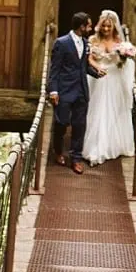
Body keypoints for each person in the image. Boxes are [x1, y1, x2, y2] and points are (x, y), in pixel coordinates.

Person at [47, 11, 103, 174]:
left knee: (80, 125)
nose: (91, 28)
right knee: (61, 123)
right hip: (64, 90)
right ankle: (58, 151)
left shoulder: (86, 43)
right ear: (81, 26)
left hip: (81, 90)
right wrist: (54, 91)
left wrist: (96, 73)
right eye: (89, 25)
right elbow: (55, 69)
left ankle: (76, 158)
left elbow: (83, 67)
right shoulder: (61, 43)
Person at [82, 9, 135, 166]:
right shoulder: (93, 40)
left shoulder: (120, 42)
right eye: (103, 26)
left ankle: (113, 144)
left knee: (114, 111)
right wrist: (97, 66)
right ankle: (96, 147)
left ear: (113, 27)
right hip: (98, 78)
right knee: (97, 110)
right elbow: (89, 58)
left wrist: (124, 58)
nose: (105, 29)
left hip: (114, 79)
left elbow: (122, 63)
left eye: (108, 27)